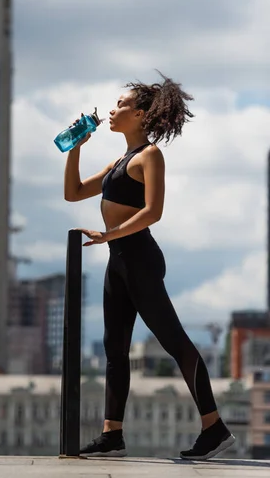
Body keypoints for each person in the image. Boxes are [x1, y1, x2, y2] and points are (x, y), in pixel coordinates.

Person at [63, 71, 235, 461]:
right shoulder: (119, 159)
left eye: (121, 105)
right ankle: (112, 435)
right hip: (117, 259)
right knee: (113, 348)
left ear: (141, 115)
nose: (112, 110)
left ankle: (215, 429)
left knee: (175, 342)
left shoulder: (149, 155)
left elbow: (153, 211)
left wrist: (112, 233)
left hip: (138, 256)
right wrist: (74, 146)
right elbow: (73, 193)